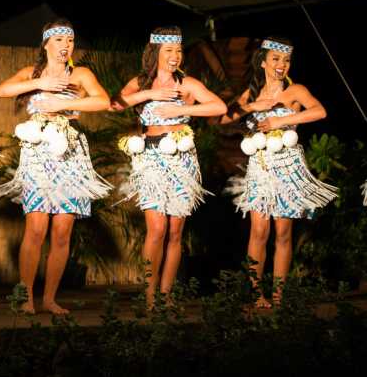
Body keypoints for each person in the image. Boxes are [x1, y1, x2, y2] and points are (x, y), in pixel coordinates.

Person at [0, 19, 111, 315]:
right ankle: (26, 297)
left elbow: (103, 101)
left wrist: (63, 106)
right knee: (35, 227)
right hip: (37, 155)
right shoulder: (30, 74)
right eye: (59, 40)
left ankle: (49, 298)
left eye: (69, 41)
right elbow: (1, 91)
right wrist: (39, 84)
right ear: (46, 44)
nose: (65, 46)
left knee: (62, 231)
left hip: (69, 154)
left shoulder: (80, 74)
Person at [220, 37, 337, 307]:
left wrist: (280, 119)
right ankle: (257, 294)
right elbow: (224, 118)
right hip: (260, 168)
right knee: (259, 230)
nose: (281, 65)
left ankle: (279, 296)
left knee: (283, 232)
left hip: (287, 166)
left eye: (285, 60)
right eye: (275, 59)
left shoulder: (295, 91)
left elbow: (320, 111)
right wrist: (252, 107)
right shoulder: (252, 93)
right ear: (263, 62)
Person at [116, 26, 226, 307]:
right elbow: (114, 104)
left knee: (176, 231)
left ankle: (166, 295)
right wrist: (147, 96)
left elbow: (219, 107)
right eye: (169, 51)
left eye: (178, 50)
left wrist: (181, 110)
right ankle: (150, 295)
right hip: (151, 158)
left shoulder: (187, 84)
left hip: (181, 158)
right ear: (155, 52)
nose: (175, 56)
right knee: (156, 228)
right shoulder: (140, 82)